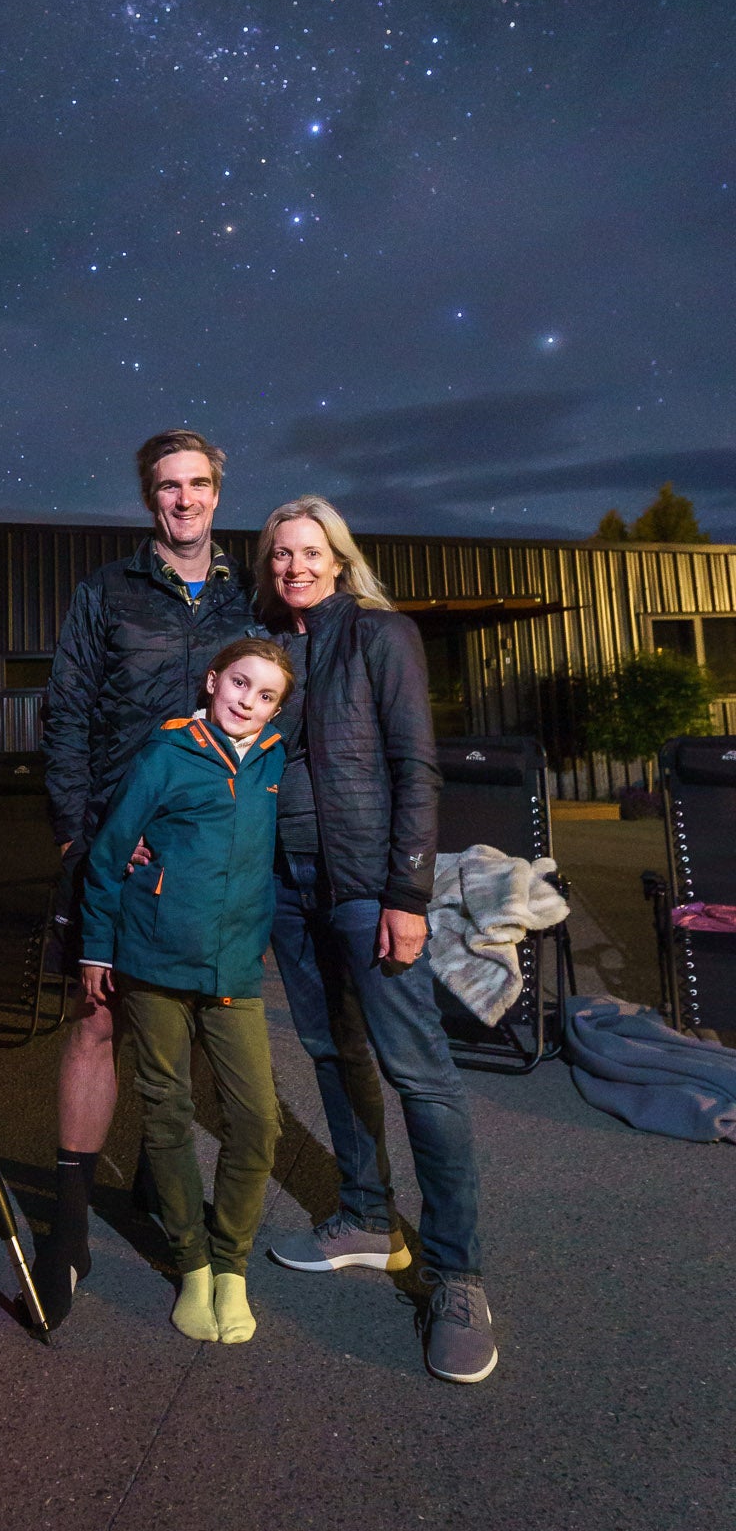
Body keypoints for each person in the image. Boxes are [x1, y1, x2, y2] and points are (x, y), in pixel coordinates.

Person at [258, 495, 498, 1385]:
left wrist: (407, 892)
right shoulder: (268, 645)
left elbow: (415, 766)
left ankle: (457, 1274)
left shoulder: (380, 633)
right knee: (330, 1051)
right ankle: (365, 1217)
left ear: (339, 557)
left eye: (310, 551)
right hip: (287, 885)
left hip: (368, 890)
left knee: (420, 1073)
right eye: (281, 554)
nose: (295, 565)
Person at [39, 429, 256, 1325]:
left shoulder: (252, 597)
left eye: (198, 484)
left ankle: (178, 1207)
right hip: (117, 850)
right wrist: (84, 839)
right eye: (167, 487)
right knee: (96, 1022)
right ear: (148, 499)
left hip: (212, 857)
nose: (184, 500)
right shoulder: (105, 593)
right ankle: (69, 1224)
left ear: (218, 491)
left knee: (203, 1027)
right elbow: (67, 718)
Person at [79, 638, 292, 1343]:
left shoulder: (275, 761)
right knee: (167, 1111)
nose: (247, 702)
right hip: (154, 962)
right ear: (211, 681)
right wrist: (97, 951)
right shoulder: (167, 753)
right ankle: (192, 1265)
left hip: (233, 970)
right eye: (239, 683)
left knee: (257, 1120)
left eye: (265, 695)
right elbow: (110, 855)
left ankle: (231, 1264)